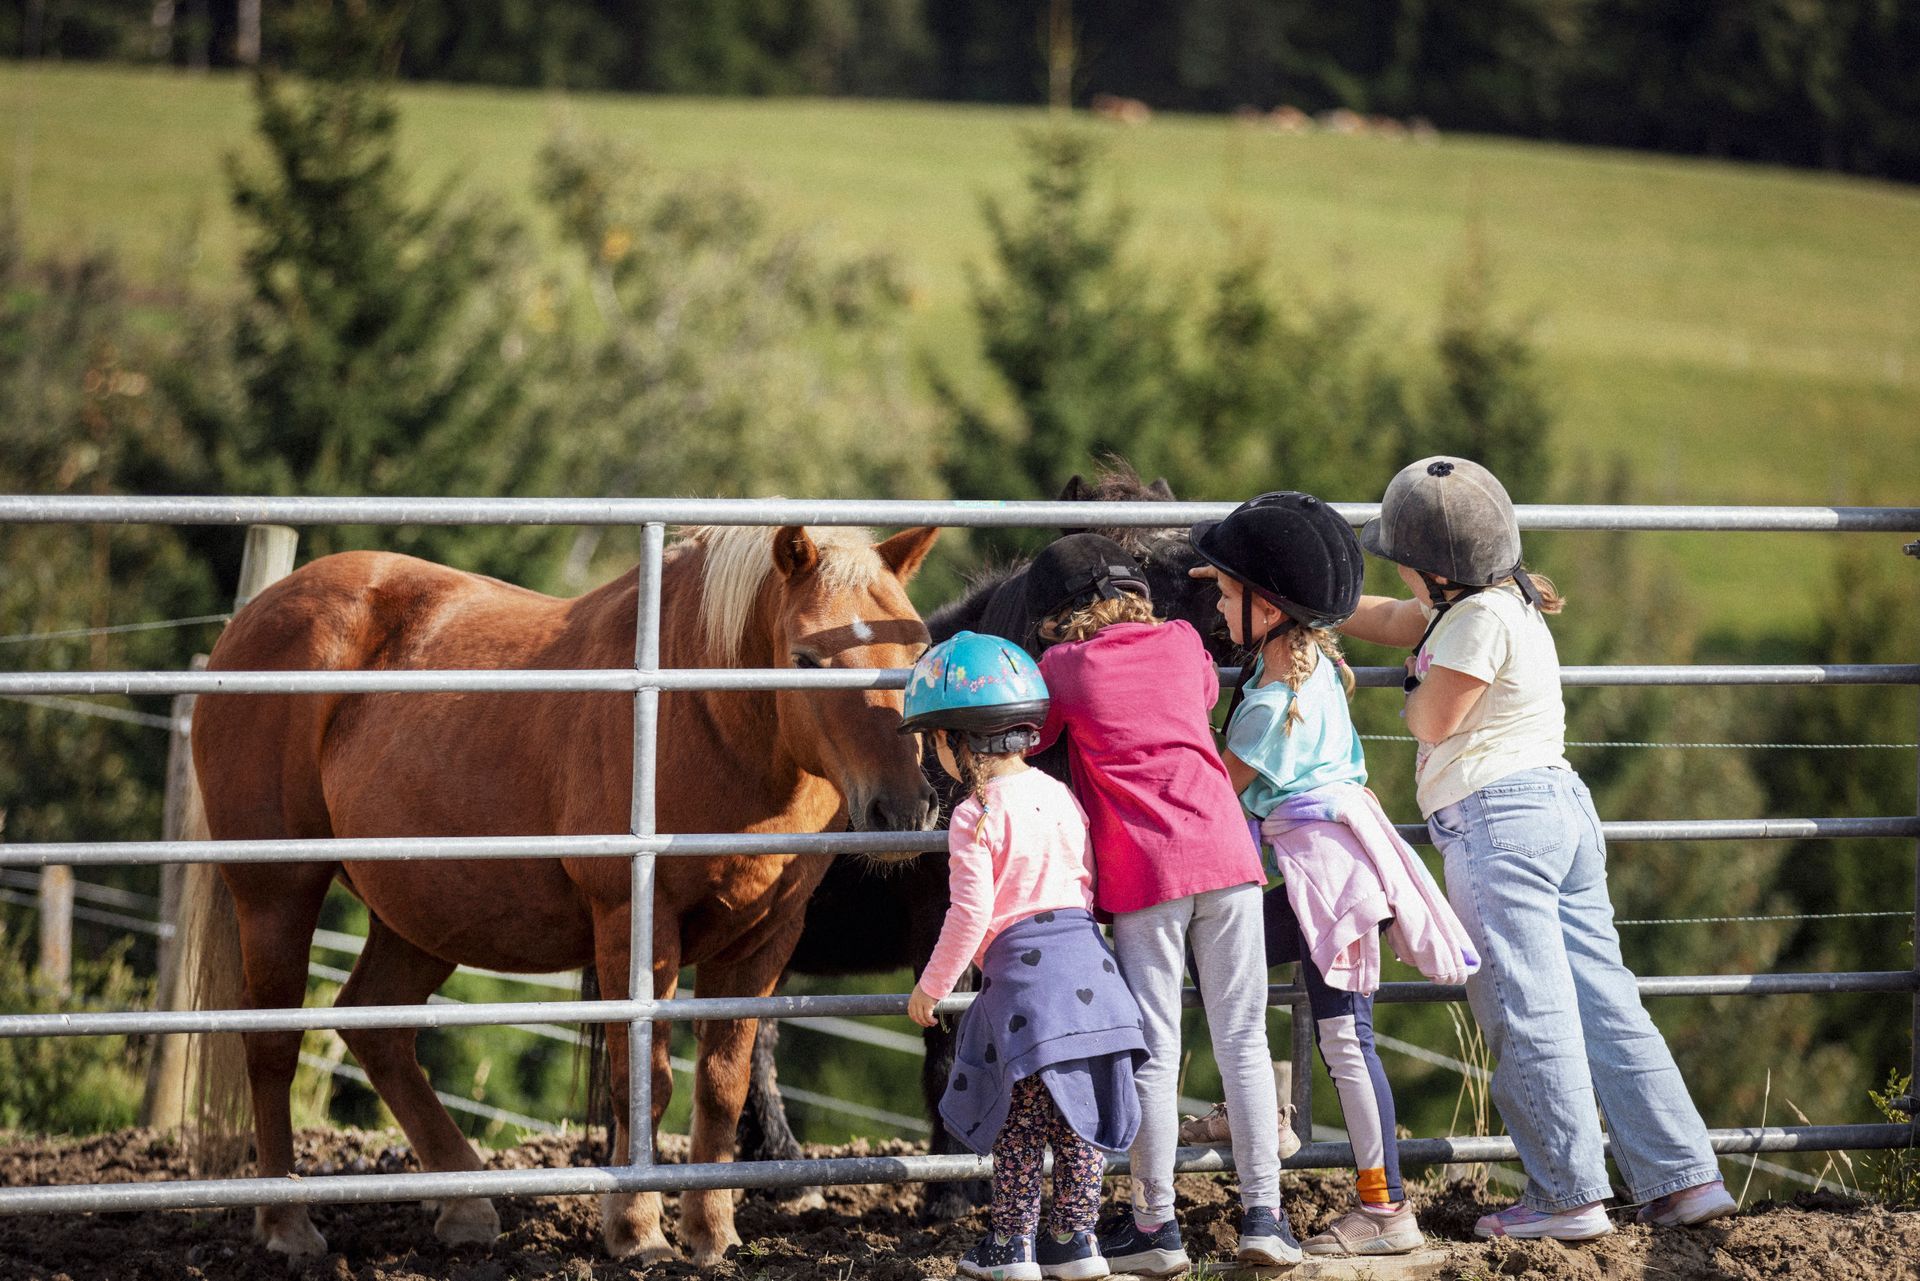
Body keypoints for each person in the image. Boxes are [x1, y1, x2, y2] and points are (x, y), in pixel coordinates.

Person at [1340, 456, 1735, 1240]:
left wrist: (1410, 683)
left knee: (1527, 1007)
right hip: (1556, 810)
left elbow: (1429, 722)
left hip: (1499, 821)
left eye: (1405, 564)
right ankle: (1683, 1177)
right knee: (1601, 999)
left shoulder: (1475, 621)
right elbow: (1390, 617)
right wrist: (1316, 600)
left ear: (1433, 570)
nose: (1401, 577)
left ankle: (1565, 1194)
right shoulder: (1494, 605)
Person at [1187, 490, 1480, 1257]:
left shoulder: (1270, 702)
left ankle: (1383, 1207)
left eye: (1224, 592)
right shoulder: (1305, 675)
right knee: (1251, 967)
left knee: (1343, 1037)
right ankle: (1264, 1109)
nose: (1216, 606)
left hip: (1334, 876)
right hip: (1337, 865)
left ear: (1270, 605)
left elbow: (1215, 788)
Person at [1025, 534, 1303, 1275]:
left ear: (1059, 616)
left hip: (1146, 871)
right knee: (1243, 1039)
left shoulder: (1063, 669)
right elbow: (1202, 699)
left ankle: (1155, 1225)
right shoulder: (1184, 642)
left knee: (1157, 1048)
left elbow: (1032, 740)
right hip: (1230, 858)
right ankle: (1265, 1217)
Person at [904, 631, 1148, 1281]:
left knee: (1021, 1124)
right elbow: (1086, 883)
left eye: (934, 741)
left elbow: (970, 914)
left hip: (1027, 990)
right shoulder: (1060, 796)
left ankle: (1013, 1246)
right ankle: (1076, 1240)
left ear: (957, 739)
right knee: (1080, 1119)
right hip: (1093, 972)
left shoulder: (974, 813)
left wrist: (932, 986)